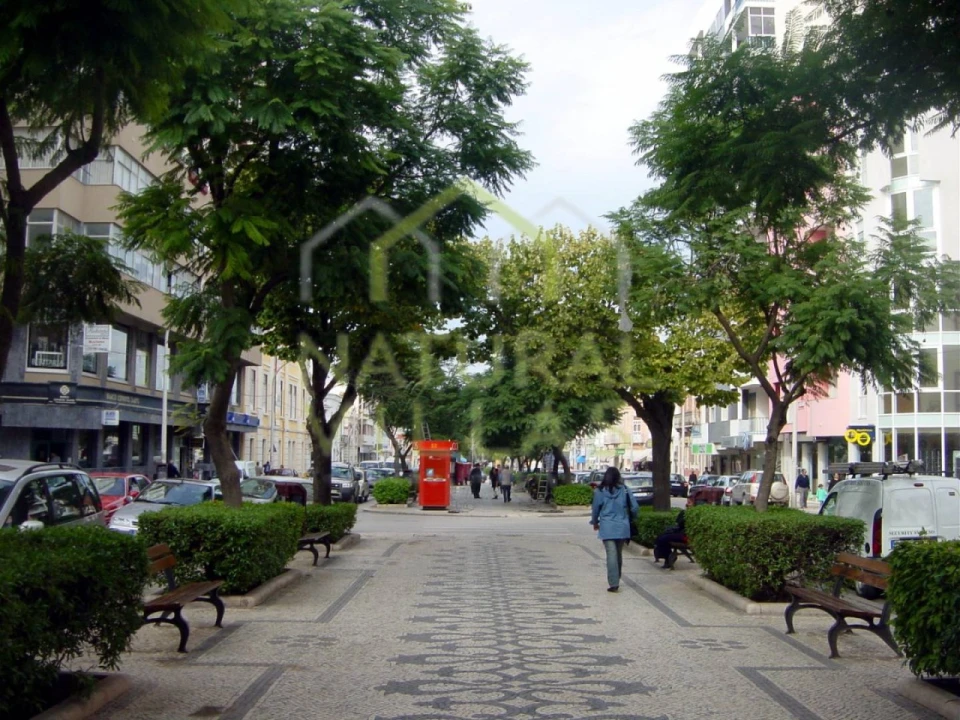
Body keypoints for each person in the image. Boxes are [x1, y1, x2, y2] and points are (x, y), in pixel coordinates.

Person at [589, 466, 639, 593]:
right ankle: (617, 577)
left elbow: (595, 509)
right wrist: (632, 517)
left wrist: (595, 522)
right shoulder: (625, 490)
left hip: (607, 527)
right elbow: (634, 508)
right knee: (618, 553)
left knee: (611, 554)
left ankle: (613, 582)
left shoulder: (599, 491)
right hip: (622, 526)